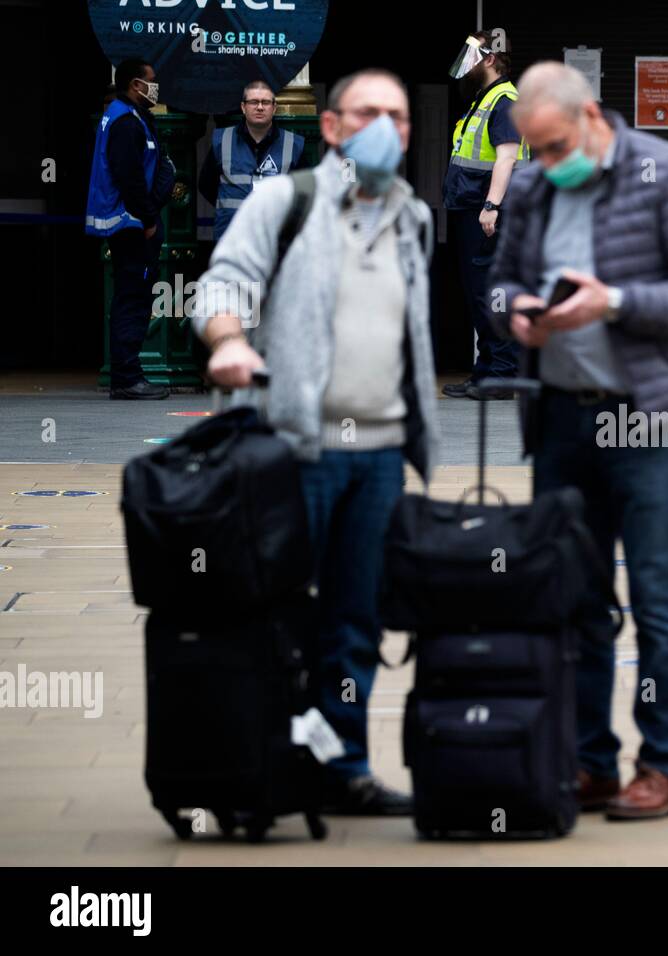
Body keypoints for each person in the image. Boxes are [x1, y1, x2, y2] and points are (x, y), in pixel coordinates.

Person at [193, 68, 439, 815]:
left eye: (398, 117)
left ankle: (343, 770)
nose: (386, 129)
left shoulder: (414, 216)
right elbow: (223, 281)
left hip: (382, 456)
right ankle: (259, 771)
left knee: (356, 622)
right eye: (369, 114)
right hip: (298, 451)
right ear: (331, 127)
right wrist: (229, 342)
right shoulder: (285, 201)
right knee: (274, 618)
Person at [488, 62, 668, 820]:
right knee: (574, 594)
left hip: (647, 415)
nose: (549, 165)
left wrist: (611, 302)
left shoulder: (665, 171)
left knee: (653, 591)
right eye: (536, 152)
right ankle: (590, 760)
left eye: (556, 146)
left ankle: (661, 766)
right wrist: (517, 311)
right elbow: (496, 283)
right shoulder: (529, 185)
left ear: (590, 116)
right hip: (560, 415)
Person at [442, 30, 529, 400]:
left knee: (490, 293)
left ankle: (502, 375)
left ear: (490, 59)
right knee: (480, 293)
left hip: (488, 213)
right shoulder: (486, 98)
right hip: (472, 210)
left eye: (473, 57)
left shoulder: (505, 100)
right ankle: (486, 373)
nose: (467, 65)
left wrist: (491, 205)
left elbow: (507, 157)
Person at [85, 57, 175, 400]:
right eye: (151, 81)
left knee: (132, 297)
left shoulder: (130, 116)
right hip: (131, 225)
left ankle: (127, 374)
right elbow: (129, 177)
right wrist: (149, 219)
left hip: (132, 222)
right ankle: (126, 378)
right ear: (136, 85)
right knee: (132, 299)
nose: (155, 87)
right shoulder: (125, 121)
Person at [198, 79, 305, 244]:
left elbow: (303, 194)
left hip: (275, 240)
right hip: (231, 239)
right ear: (243, 107)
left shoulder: (293, 144)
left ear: (274, 108)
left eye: (266, 102)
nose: (260, 107)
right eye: (254, 102)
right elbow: (206, 185)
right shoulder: (222, 140)